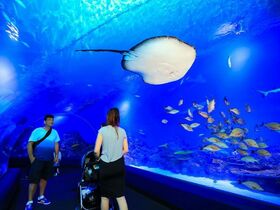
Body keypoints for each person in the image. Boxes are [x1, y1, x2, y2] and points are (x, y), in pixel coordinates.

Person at [94, 108, 129, 210]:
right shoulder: (122, 131)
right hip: (119, 166)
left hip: (105, 166)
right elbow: (126, 150)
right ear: (118, 117)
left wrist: (98, 158)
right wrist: (118, 154)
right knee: (120, 196)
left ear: (108, 117)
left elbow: (96, 150)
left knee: (105, 197)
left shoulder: (102, 130)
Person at [25, 114, 60, 210]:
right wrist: (32, 158)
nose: (51, 121)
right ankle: (29, 202)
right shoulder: (37, 131)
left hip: (48, 160)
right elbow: (30, 144)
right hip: (38, 159)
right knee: (33, 181)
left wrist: (56, 155)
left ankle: (41, 197)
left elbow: (56, 144)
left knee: (44, 179)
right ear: (44, 121)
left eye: (52, 120)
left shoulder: (55, 132)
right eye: (49, 120)